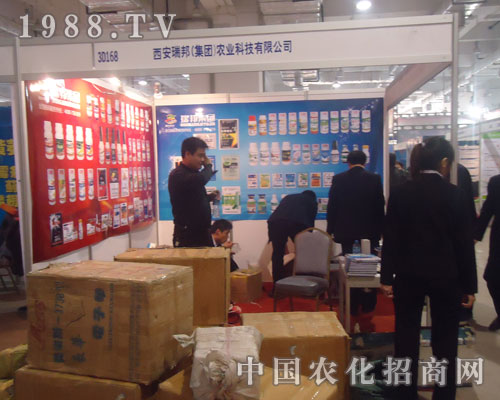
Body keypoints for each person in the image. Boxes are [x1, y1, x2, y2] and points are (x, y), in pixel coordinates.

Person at [381, 137, 477, 400]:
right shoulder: (455, 195)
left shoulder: (400, 193)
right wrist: (469, 286)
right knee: (445, 341)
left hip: (408, 275)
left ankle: (404, 393)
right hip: (446, 277)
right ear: (444, 162)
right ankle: (443, 395)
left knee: (405, 336)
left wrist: (387, 276)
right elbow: (464, 245)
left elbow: (391, 238)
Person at [327, 150, 385, 329]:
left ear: (348, 162)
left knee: (349, 269)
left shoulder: (339, 179)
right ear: (365, 162)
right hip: (369, 231)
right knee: (371, 268)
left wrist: (331, 229)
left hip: (346, 230)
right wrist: (381, 230)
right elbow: (379, 206)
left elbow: (332, 206)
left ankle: (351, 304)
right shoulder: (374, 179)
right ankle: (368, 304)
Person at [168, 137, 218, 247]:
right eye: (200, 155)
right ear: (187, 154)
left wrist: (210, 197)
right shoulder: (178, 174)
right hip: (187, 235)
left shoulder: (192, 174)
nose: (203, 160)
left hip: (202, 233)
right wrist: (208, 166)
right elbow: (200, 179)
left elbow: (192, 200)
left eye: (204, 156)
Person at [267, 190, 317, 290]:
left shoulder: (289, 197)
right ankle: (305, 284)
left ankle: (277, 287)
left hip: (275, 223)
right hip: (297, 223)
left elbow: (282, 215)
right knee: (304, 254)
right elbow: (310, 224)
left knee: (277, 254)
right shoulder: (312, 201)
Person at [475, 174, 500, 331]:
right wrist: (475, 235)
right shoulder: (496, 182)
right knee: (492, 278)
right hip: (499, 241)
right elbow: (487, 210)